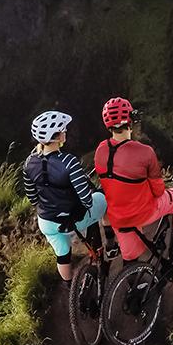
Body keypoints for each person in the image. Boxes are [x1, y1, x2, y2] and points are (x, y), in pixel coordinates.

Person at [94, 97, 173, 267]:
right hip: (143, 212)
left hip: (118, 216)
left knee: (130, 262)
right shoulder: (145, 151)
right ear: (130, 120)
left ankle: (131, 280)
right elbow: (158, 191)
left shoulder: (100, 150)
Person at [23, 110, 107, 288]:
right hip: (73, 220)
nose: (65, 131)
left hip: (47, 222)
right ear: (57, 136)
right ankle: (111, 242)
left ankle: (70, 288)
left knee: (62, 253)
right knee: (102, 197)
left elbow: (32, 197)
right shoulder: (69, 162)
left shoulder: (29, 163)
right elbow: (87, 200)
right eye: (63, 129)